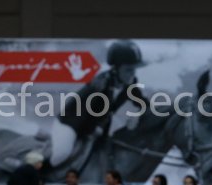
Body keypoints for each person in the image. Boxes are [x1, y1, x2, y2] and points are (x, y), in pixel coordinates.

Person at [50, 40, 147, 168]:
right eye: (128, 69)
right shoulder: (100, 85)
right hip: (70, 124)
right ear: (115, 69)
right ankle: (37, 173)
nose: (132, 74)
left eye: (134, 69)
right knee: (61, 155)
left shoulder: (129, 85)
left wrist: (142, 114)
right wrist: (98, 128)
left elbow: (142, 102)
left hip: (94, 128)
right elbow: (90, 114)